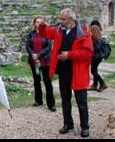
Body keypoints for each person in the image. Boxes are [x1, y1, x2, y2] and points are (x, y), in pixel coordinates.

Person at [38, 8, 93, 138]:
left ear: (71, 20)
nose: (60, 21)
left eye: (63, 19)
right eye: (60, 19)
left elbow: (87, 53)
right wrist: (42, 26)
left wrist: (70, 55)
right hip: (64, 72)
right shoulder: (59, 31)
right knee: (65, 99)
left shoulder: (83, 34)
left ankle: (85, 126)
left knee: (81, 102)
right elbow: (46, 33)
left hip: (77, 72)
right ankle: (68, 123)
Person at [26, 17, 56, 112]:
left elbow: (49, 46)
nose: (38, 24)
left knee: (47, 81)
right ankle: (38, 100)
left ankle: (51, 103)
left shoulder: (46, 33)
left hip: (45, 60)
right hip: (34, 61)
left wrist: (38, 55)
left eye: (40, 22)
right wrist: (33, 55)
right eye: (37, 22)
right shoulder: (31, 34)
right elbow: (27, 46)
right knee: (36, 80)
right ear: (34, 23)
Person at [87, 25, 108, 92]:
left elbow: (98, 48)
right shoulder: (93, 38)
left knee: (93, 71)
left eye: (90, 30)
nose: (89, 31)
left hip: (97, 57)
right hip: (94, 57)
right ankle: (94, 85)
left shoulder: (99, 39)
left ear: (94, 31)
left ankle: (102, 83)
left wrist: (89, 46)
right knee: (94, 70)